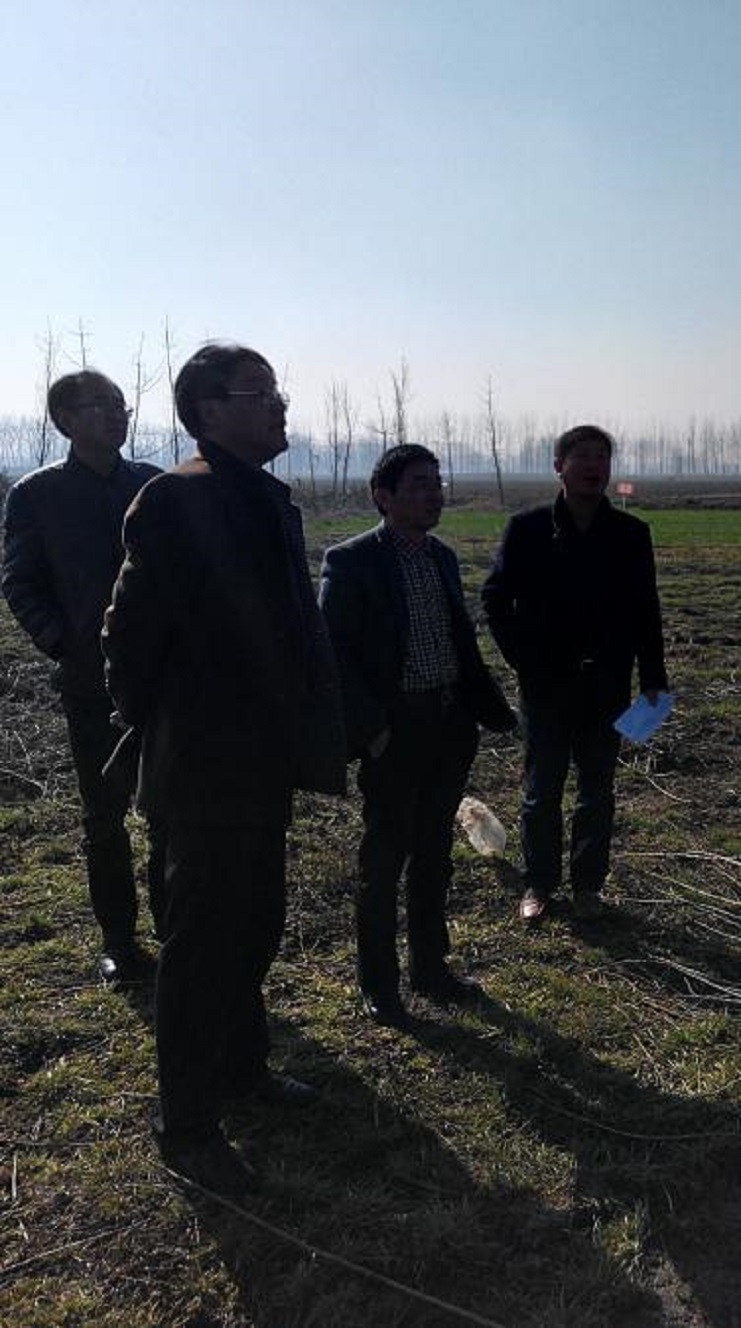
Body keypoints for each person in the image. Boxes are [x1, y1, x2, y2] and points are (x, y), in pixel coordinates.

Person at [101, 341, 345, 1199]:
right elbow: (127, 635)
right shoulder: (177, 498)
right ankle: (187, 1122)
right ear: (208, 412)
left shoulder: (265, 498)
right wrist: (163, 722)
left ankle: (244, 1068)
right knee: (201, 942)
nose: (279, 405)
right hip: (203, 763)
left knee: (255, 924)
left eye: (277, 391)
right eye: (259, 392)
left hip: (260, 759)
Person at [319, 443, 516, 1028]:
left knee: (434, 854)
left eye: (437, 483)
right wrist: (373, 730)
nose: (434, 495)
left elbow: (460, 645)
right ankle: (378, 984)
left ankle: (431, 968)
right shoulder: (351, 561)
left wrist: (491, 712)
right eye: (419, 485)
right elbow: (334, 656)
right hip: (395, 730)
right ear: (383, 497)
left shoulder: (442, 557)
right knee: (384, 859)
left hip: (449, 725)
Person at [1, 370, 165, 981]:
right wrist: (63, 644)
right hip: (90, 681)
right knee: (104, 815)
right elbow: (20, 582)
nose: (117, 414)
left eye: (122, 405)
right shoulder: (37, 495)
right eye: (101, 405)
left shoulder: (153, 485)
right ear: (65, 420)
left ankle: (177, 930)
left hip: (162, 678)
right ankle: (119, 941)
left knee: (171, 809)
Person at [481, 424, 668, 924]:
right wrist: (524, 660)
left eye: (601, 458)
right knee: (541, 790)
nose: (593, 467)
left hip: (607, 686)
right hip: (546, 687)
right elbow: (495, 599)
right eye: (582, 457)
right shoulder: (527, 529)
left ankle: (588, 886)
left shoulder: (631, 534)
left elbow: (646, 612)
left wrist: (654, 679)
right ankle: (539, 883)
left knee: (597, 792)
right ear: (559, 467)